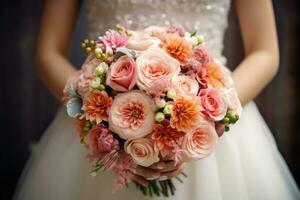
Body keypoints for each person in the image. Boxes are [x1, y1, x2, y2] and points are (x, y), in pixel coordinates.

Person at [14, 0, 300, 199]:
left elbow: (265, 52)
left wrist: (206, 117)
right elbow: (47, 52)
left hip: (214, 126)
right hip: (98, 128)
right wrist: (100, 113)